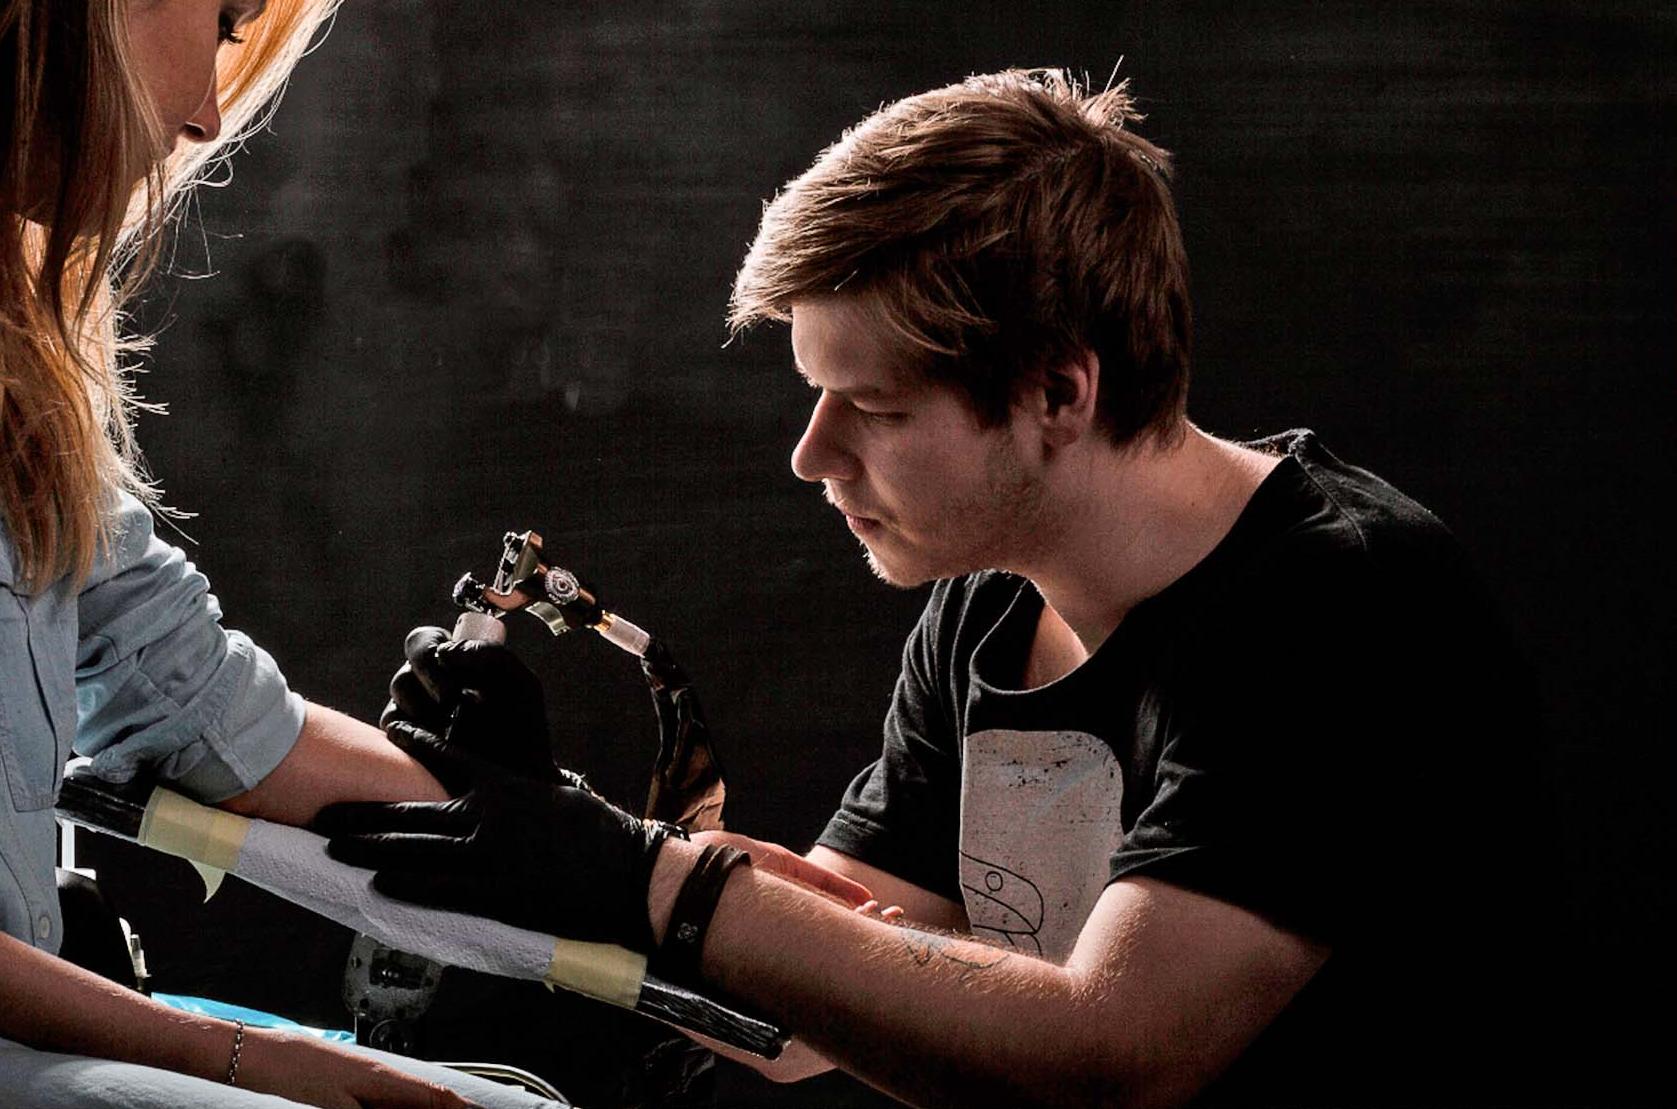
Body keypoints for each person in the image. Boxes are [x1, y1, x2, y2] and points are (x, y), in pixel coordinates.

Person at [324, 69, 1553, 1107]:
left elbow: (1110, 1060)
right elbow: (805, 1004)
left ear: (1058, 393)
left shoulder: (1335, 607)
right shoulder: (989, 603)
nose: (811, 454)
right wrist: (552, 823)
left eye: (875, 406)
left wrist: (640, 874)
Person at [0, 2, 564, 1105]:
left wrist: (587, 845)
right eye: (223, 21)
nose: (210, 118)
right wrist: (237, 1054)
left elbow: (200, 700)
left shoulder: (23, 384)